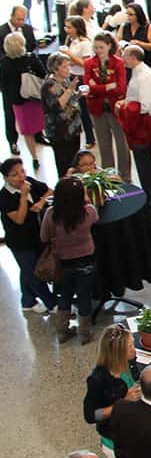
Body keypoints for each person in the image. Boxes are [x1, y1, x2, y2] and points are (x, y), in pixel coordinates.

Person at [82, 325, 143, 458]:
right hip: (116, 441)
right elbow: (91, 415)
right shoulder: (98, 379)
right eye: (129, 346)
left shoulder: (127, 365)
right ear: (117, 352)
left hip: (133, 434)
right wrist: (122, 403)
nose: (134, 349)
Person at [41, 176, 99, 343]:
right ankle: (84, 334)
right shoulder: (89, 212)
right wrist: (86, 199)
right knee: (84, 297)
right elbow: (96, 219)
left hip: (63, 264)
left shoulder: (51, 213)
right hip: (86, 261)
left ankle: (62, 332)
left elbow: (44, 237)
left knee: (64, 296)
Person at [0, 157, 54, 313]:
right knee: (32, 273)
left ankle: (28, 301)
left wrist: (41, 202)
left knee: (27, 270)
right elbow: (19, 219)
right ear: (6, 178)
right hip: (20, 242)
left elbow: (49, 190)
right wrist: (24, 196)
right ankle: (52, 303)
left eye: (22, 171)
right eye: (15, 174)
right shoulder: (4, 196)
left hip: (36, 236)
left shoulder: (29, 181)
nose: (21, 176)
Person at [116, 45, 151, 207]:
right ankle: (149, 192)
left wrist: (124, 108)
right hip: (139, 119)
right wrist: (126, 102)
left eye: (125, 55)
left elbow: (145, 106)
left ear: (133, 58)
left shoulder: (143, 76)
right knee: (142, 160)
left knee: (143, 161)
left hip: (142, 121)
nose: (122, 58)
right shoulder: (137, 71)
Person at [84, 32, 131, 180]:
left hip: (115, 108)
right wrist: (108, 87)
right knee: (104, 145)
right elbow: (88, 87)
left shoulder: (118, 63)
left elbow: (121, 88)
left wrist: (97, 87)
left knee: (122, 144)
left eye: (101, 47)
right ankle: (108, 176)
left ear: (109, 46)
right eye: (96, 47)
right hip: (97, 109)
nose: (98, 50)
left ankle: (125, 176)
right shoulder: (89, 63)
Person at [0, 28, 43, 161]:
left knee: (23, 127)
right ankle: (40, 137)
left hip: (14, 99)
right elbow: (43, 74)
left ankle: (31, 155)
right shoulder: (31, 58)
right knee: (37, 121)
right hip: (33, 96)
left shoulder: (4, 62)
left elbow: (2, 83)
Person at [41, 52, 84, 177]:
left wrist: (78, 94)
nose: (68, 69)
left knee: (74, 161)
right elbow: (58, 105)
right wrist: (70, 89)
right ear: (55, 69)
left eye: (69, 65)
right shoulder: (49, 85)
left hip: (73, 127)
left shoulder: (64, 80)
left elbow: (70, 100)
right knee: (64, 163)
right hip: (60, 131)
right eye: (65, 67)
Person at [59, 16, 96, 148]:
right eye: (66, 27)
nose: (66, 30)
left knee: (84, 109)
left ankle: (90, 138)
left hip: (82, 78)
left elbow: (86, 64)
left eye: (69, 27)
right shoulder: (71, 40)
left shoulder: (84, 43)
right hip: (72, 76)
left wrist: (69, 54)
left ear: (77, 28)